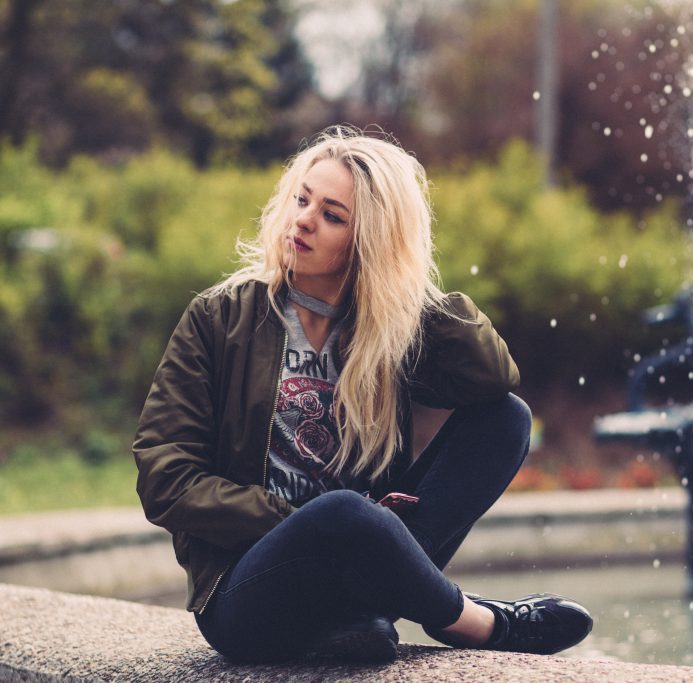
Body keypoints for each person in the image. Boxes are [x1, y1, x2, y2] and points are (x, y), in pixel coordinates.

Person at [133, 126, 593, 665]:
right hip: (247, 588)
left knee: (506, 419)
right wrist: (299, 519)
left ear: (368, 241)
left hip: (365, 571)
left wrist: (403, 282)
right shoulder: (221, 318)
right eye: (302, 199)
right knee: (344, 514)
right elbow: (164, 476)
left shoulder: (386, 332)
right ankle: (478, 622)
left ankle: (360, 616)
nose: (303, 219)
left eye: (332, 215)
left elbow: (492, 377)